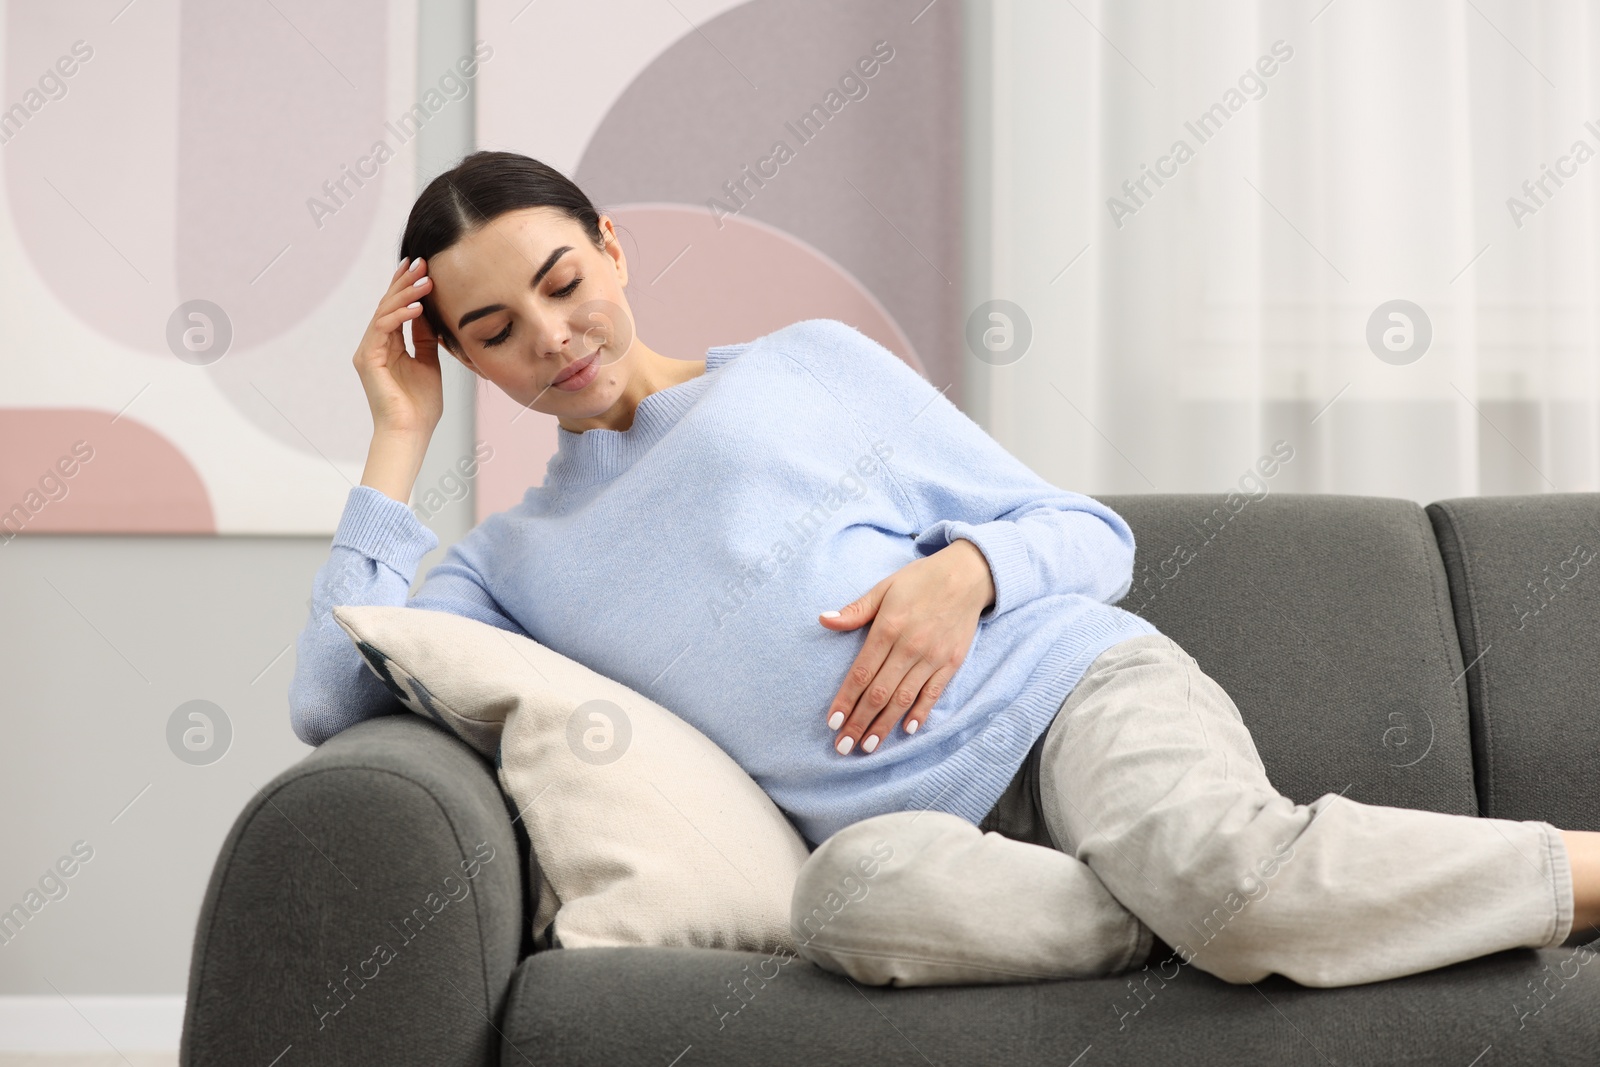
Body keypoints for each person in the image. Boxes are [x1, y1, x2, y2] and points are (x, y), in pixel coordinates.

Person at [288, 150, 1599, 991]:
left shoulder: (807, 364)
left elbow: (1090, 537)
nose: (554, 339)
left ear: (612, 248)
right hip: (920, 850)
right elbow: (331, 708)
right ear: (461, 360)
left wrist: (963, 571)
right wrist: (394, 437)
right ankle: (1194, 908)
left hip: (1067, 697)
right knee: (847, 905)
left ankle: (1541, 873)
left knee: (1228, 882)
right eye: (495, 332)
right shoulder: (511, 564)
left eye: (563, 281)